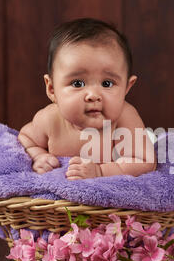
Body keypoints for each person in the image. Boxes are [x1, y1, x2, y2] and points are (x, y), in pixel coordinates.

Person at [18, 18, 156, 180]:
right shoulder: (49, 119)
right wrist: (38, 156)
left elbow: (145, 162)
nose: (93, 95)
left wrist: (100, 172)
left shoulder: (124, 118)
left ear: (126, 87)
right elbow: (26, 139)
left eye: (107, 83)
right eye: (77, 83)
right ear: (52, 89)